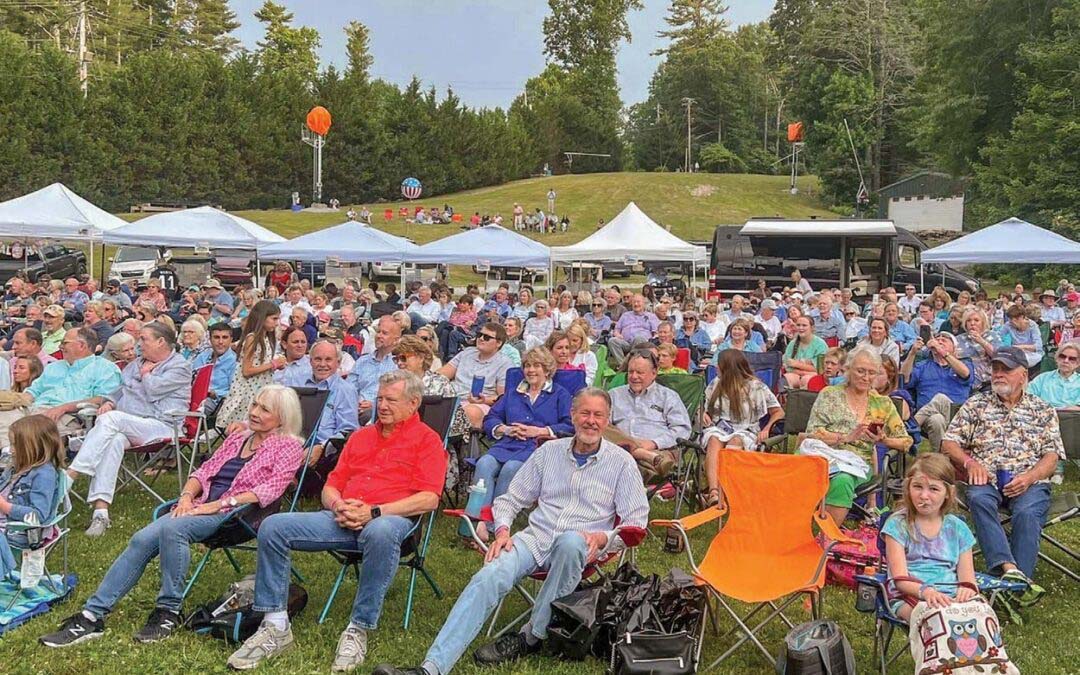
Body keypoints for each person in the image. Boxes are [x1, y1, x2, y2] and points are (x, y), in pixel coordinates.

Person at [374, 387, 649, 675]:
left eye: (598, 415)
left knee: (570, 542)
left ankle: (530, 636)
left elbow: (636, 520)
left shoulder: (621, 463)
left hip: (580, 548)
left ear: (607, 419)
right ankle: (431, 668)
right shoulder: (549, 452)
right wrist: (503, 531)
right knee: (488, 577)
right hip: (535, 538)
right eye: (585, 413)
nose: (591, 421)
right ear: (572, 415)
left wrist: (602, 537)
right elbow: (511, 498)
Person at [41, 385, 304, 648]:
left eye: (264, 409)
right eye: (255, 404)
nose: (254, 412)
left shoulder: (289, 447)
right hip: (198, 506)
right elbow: (204, 471)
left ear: (282, 418)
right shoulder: (239, 438)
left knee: (173, 529)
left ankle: (168, 611)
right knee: (141, 539)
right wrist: (187, 497)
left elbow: (271, 489)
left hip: (237, 516)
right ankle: (92, 615)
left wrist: (217, 505)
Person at [226, 372, 447, 672]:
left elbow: (429, 499)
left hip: (391, 520)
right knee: (274, 526)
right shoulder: (360, 436)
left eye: (391, 400)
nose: (382, 406)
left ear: (413, 403)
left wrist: (375, 512)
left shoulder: (427, 440)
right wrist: (337, 504)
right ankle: (276, 625)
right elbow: (331, 485)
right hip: (342, 517)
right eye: (380, 398)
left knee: (380, 532)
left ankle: (358, 628)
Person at [941, 347, 1062, 601]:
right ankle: (1011, 573)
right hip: (985, 479)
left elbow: (1051, 457)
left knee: (1027, 513)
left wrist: (1029, 477)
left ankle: (1013, 586)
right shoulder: (977, 404)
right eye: (995, 369)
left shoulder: (1042, 409)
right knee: (979, 500)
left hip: (1029, 482)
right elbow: (949, 443)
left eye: (1006, 369)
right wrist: (970, 463)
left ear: (1023, 375)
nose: (998, 374)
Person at [66, 322, 192, 535]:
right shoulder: (137, 363)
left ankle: (71, 474)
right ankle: (101, 512)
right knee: (112, 439)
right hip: (131, 423)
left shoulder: (180, 366)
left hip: (162, 425)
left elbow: (154, 391)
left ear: (161, 341)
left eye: (144, 339)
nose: (138, 344)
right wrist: (110, 402)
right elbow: (120, 390)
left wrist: (147, 374)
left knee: (111, 420)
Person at [470, 346, 573, 541]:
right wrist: (506, 429)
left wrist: (539, 431)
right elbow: (491, 418)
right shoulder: (513, 393)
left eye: (536, 366)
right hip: (507, 443)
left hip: (538, 448)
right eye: (527, 366)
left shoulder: (560, 394)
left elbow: (569, 426)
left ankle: (494, 523)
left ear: (547, 370)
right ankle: (475, 522)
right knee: (484, 463)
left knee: (511, 468)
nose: (530, 370)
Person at [804, 347, 912, 524]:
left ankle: (827, 534)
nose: (866, 377)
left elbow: (906, 442)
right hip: (821, 455)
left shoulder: (882, 403)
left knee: (843, 480)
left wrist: (884, 440)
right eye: (860, 371)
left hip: (858, 462)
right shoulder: (829, 394)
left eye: (872, 372)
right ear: (848, 369)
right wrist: (845, 437)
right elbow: (813, 433)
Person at [882, 454, 977, 621]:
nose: (924, 495)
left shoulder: (958, 529)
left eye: (933, 489)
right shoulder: (897, 525)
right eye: (918, 487)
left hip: (952, 597)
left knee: (983, 616)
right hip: (910, 597)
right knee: (937, 620)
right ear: (908, 487)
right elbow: (900, 580)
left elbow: (968, 578)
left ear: (948, 493)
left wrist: (967, 589)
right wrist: (926, 592)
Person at [700, 350, 783, 505]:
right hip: (720, 427)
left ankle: (727, 492)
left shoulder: (756, 387)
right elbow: (704, 407)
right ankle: (713, 492)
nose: (716, 368)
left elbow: (778, 412)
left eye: (719, 365)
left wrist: (767, 429)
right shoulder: (716, 383)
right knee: (713, 440)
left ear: (728, 368)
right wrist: (703, 414)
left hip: (746, 430)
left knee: (736, 441)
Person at [23, 328, 122, 437]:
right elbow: (34, 391)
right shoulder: (53, 366)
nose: (60, 347)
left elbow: (103, 398)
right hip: (33, 410)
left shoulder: (105, 369)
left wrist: (64, 408)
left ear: (81, 345)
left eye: (65, 343)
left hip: (66, 417)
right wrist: (17, 400)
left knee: (24, 431)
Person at [606, 351, 691, 477]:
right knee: (600, 426)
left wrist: (653, 443)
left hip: (657, 451)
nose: (634, 376)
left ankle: (633, 461)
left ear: (654, 373)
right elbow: (604, 425)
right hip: (619, 449)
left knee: (652, 463)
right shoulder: (614, 395)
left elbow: (682, 429)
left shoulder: (668, 396)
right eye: (630, 372)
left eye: (640, 372)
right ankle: (639, 454)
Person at [0, 415, 64, 579]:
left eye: (15, 444)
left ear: (32, 447)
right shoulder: (15, 468)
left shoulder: (44, 475)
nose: (11, 450)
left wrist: (5, 507)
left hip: (18, 531)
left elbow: (38, 515)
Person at [216, 300, 287, 428]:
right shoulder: (252, 338)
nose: (277, 323)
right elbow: (247, 370)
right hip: (248, 390)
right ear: (262, 317)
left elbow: (261, 364)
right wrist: (273, 364)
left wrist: (275, 366)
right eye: (274, 318)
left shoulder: (267, 339)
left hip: (261, 386)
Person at [901, 332, 974, 451]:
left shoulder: (964, 363)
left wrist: (942, 352)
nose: (939, 342)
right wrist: (912, 353)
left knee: (940, 398)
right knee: (936, 419)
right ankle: (940, 459)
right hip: (928, 417)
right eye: (937, 339)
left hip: (957, 415)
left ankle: (911, 427)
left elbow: (966, 374)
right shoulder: (922, 366)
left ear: (954, 348)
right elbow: (903, 379)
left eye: (944, 340)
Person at [439, 323, 513, 429]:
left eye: (487, 337)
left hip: (480, 404)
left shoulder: (505, 364)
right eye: (479, 335)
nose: (481, 338)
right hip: (452, 398)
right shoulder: (466, 353)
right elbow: (440, 375)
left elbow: (503, 397)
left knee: (471, 412)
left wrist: (484, 400)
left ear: (498, 343)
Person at [349, 316, 403, 424]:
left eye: (384, 333)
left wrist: (374, 405)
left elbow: (398, 396)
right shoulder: (362, 361)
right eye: (378, 332)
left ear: (396, 340)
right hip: (355, 409)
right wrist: (354, 404)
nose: (379, 336)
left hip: (381, 411)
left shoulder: (399, 364)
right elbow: (349, 389)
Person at [191, 322, 238, 416]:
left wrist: (216, 394)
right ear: (210, 339)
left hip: (214, 402)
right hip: (193, 395)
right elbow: (190, 376)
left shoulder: (234, 362)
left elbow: (234, 391)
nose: (220, 342)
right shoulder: (202, 357)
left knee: (197, 409)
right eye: (216, 337)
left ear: (231, 340)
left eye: (225, 337)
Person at [955, 307, 1001, 389]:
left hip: (987, 382)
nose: (972, 323)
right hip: (963, 381)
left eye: (976, 320)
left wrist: (981, 341)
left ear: (983, 322)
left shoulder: (992, 336)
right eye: (969, 320)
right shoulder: (958, 339)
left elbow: (998, 356)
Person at [607, 294, 659, 367]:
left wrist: (652, 339)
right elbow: (617, 329)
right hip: (625, 342)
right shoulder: (625, 315)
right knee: (612, 340)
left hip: (642, 343)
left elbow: (656, 333)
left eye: (638, 302)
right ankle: (623, 365)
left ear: (644, 304)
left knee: (639, 338)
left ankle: (629, 363)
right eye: (634, 302)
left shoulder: (651, 316)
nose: (636, 304)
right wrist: (618, 334)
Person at [1028, 341, 1080, 409]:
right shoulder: (1042, 378)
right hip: (1043, 413)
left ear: (1078, 363)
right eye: (1062, 356)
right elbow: (1028, 396)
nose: (1066, 361)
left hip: (1072, 415)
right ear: (1057, 359)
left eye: (1072, 359)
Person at [783, 316, 828, 389]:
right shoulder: (792, 344)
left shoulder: (820, 344)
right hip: (795, 374)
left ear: (812, 328)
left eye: (804, 325)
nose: (801, 328)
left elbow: (820, 369)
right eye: (798, 325)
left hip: (814, 376)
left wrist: (797, 364)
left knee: (806, 379)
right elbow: (788, 365)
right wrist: (807, 365)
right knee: (787, 378)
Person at [997, 304, 1044, 369]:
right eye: (1010, 319)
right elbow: (998, 335)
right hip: (1016, 354)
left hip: (1033, 354)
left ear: (1022, 317)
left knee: (1017, 362)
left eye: (1014, 319)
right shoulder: (1008, 325)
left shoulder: (1032, 326)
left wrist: (1019, 347)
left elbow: (1038, 346)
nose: (1011, 322)